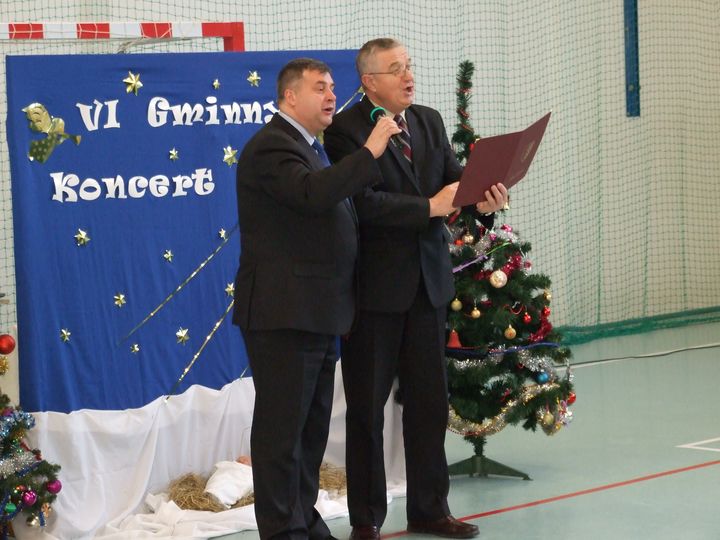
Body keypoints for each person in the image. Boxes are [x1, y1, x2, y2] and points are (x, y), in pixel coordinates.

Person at [324, 39, 508, 539]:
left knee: (428, 406)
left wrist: (484, 201)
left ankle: (429, 509)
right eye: (395, 69)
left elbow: (455, 183)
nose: (408, 76)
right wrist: (429, 207)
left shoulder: (427, 120)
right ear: (369, 82)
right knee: (367, 411)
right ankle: (366, 520)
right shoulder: (345, 131)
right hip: (374, 293)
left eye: (409, 66)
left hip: (428, 287)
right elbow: (362, 204)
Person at [232, 57, 401, 540]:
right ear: (290, 96)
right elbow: (311, 195)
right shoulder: (272, 146)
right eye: (320, 88)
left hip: (318, 312)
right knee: (282, 433)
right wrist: (369, 152)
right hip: (285, 313)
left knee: (309, 432)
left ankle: (303, 519)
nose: (332, 96)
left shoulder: (310, 147)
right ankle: (283, 530)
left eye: (332, 87)